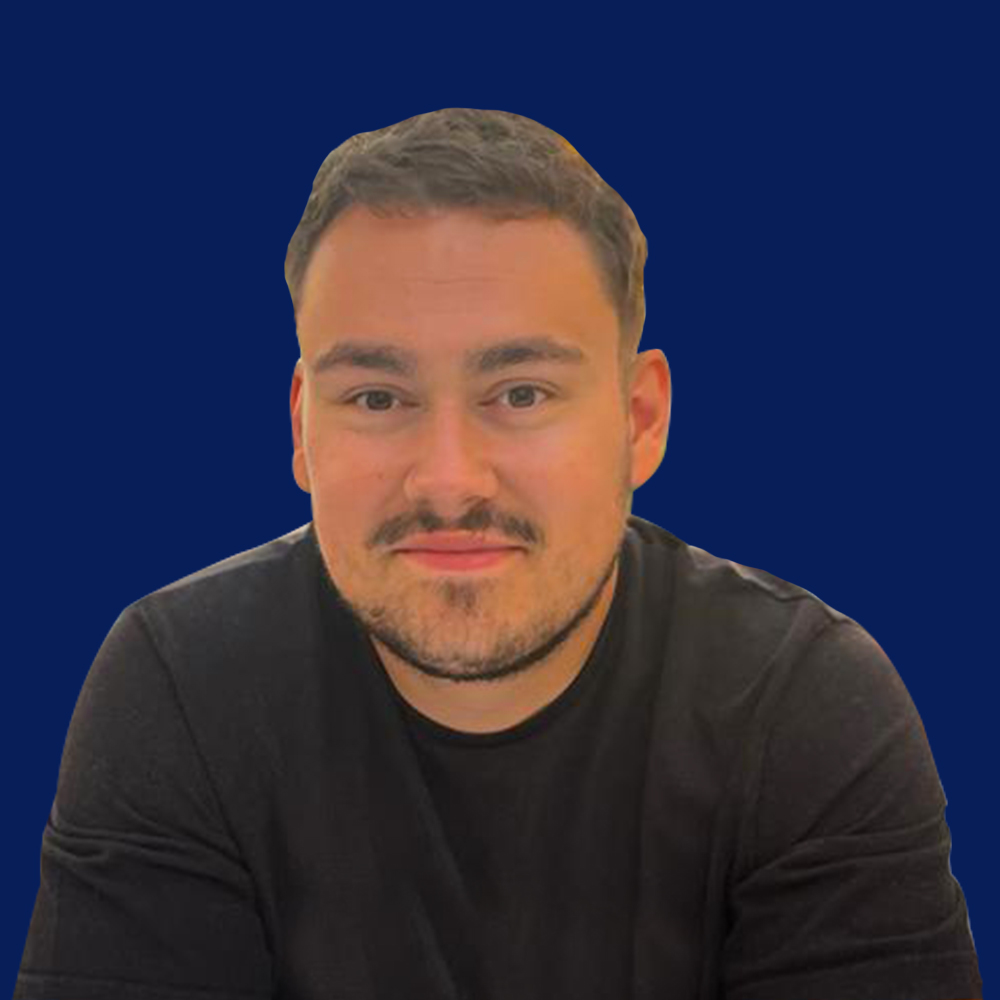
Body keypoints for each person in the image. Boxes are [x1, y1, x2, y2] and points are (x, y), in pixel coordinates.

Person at [15, 108, 981, 1000]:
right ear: (304, 428)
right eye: (377, 398)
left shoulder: (802, 704)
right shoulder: (184, 685)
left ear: (640, 419)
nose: (448, 481)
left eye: (521, 394)